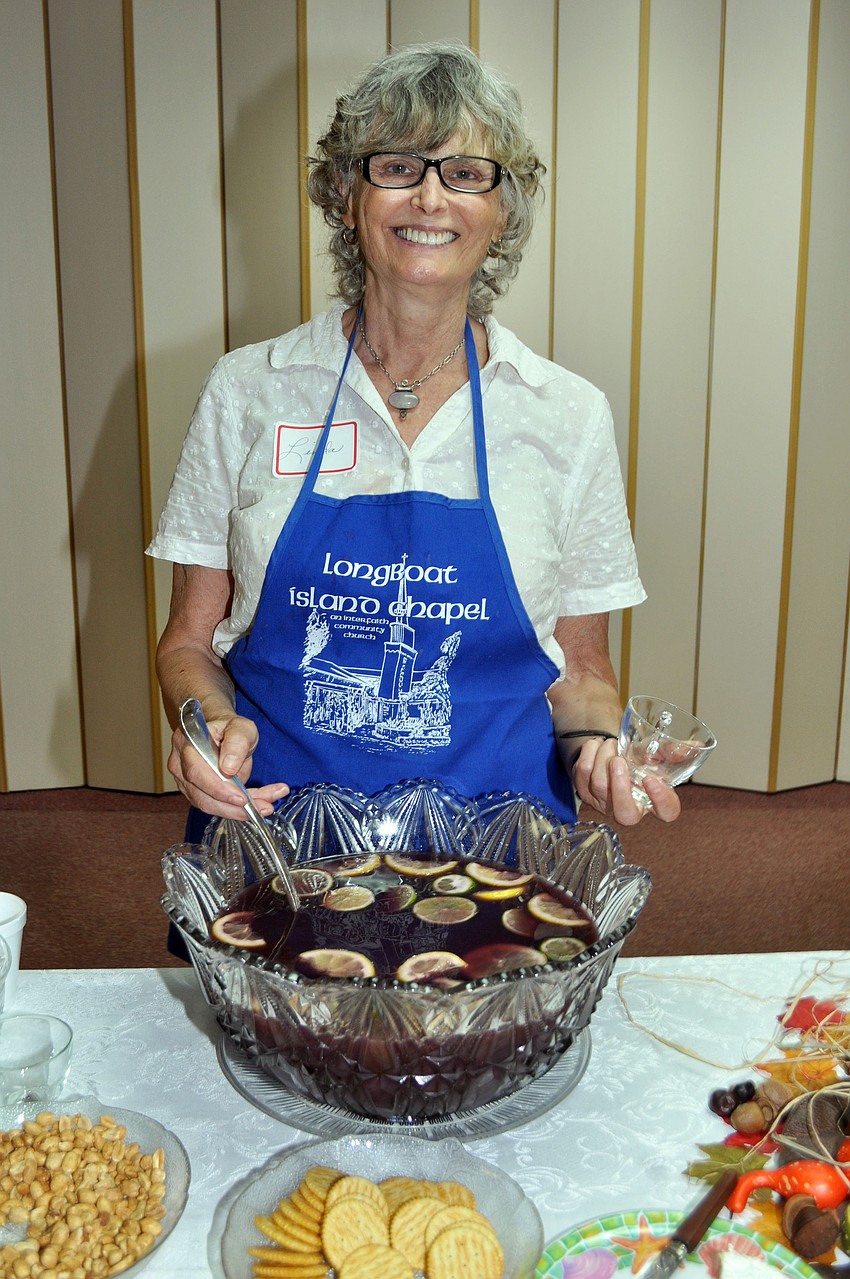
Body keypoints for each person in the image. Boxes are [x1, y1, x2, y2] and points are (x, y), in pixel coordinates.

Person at [147, 41, 681, 837]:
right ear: (346, 194)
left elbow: (583, 676)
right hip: (280, 839)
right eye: (398, 166)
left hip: (500, 845)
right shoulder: (248, 390)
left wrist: (600, 750)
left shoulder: (566, 414)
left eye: (466, 173)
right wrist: (205, 729)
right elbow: (188, 643)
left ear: (502, 212)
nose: (431, 197)